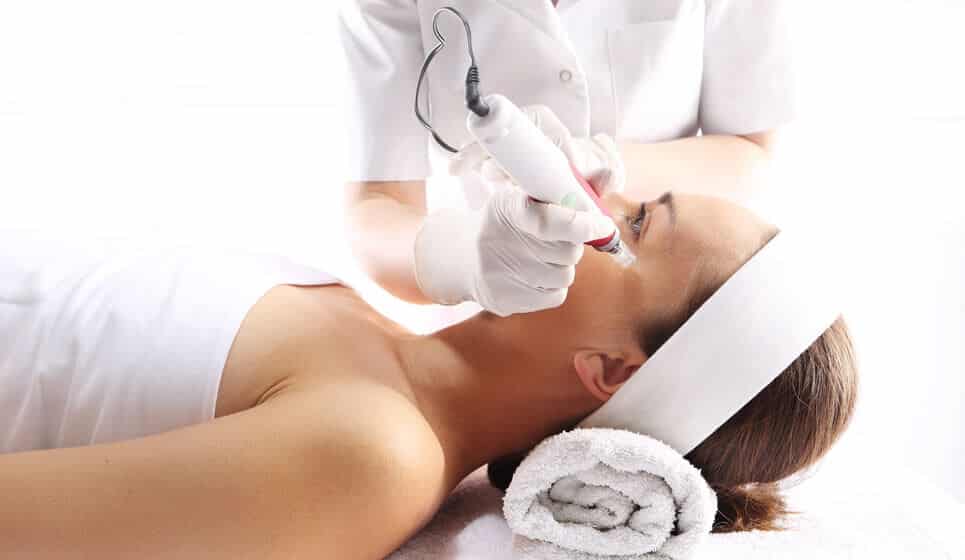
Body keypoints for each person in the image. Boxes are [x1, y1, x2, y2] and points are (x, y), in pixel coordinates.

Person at [0, 190, 856, 558]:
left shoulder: (371, 456)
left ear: (607, 370)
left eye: (632, 223)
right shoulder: (363, 319)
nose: (594, 196)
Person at [339, 0, 794, 316]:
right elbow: (376, 203)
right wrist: (458, 258)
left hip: (658, 330)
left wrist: (606, 161)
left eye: (643, 222)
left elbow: (752, 155)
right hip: (482, 320)